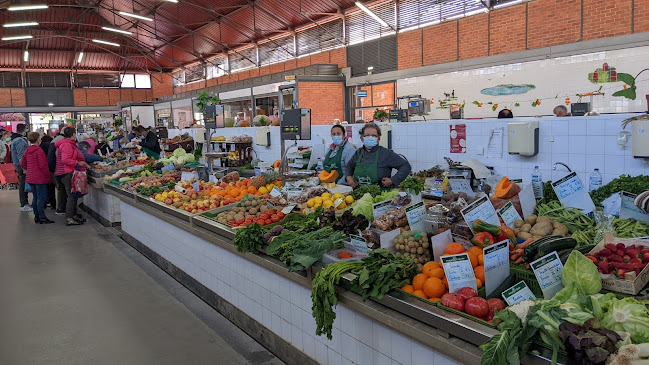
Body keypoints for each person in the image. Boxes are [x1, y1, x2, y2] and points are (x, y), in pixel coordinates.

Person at [346, 123, 411, 188]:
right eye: (367, 135)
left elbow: (405, 166)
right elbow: (349, 166)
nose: (370, 138)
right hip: (359, 193)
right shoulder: (358, 153)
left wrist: (392, 180)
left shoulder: (386, 154)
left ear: (378, 139)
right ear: (362, 138)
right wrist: (348, 177)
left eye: (374, 135)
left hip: (380, 194)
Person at [54, 127, 88, 226]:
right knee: (72, 196)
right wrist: (78, 163)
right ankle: (69, 218)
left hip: (68, 172)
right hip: (67, 172)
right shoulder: (66, 145)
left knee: (74, 195)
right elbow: (65, 160)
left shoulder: (68, 144)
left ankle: (73, 216)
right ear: (73, 134)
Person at [21, 132, 54, 224]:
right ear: (37, 139)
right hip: (39, 177)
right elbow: (43, 165)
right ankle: (42, 216)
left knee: (35, 197)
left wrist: (29, 169)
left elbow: (23, 163)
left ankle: (37, 216)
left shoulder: (27, 150)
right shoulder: (39, 151)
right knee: (41, 198)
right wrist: (48, 177)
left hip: (30, 177)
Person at [11, 123, 31, 211]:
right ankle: (24, 204)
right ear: (23, 130)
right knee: (23, 184)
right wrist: (24, 168)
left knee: (22, 184)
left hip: (18, 165)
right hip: (21, 166)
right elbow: (21, 155)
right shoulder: (20, 141)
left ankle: (24, 203)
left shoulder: (15, 139)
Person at [48, 131, 66, 214]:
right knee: (62, 188)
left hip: (54, 169)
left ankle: (60, 207)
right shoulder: (63, 142)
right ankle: (61, 208)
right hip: (61, 170)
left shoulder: (54, 141)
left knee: (60, 188)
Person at [39, 135, 56, 210]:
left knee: (42, 188)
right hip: (50, 168)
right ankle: (53, 204)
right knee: (51, 187)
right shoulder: (51, 146)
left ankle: (44, 203)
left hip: (41, 170)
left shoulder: (40, 147)